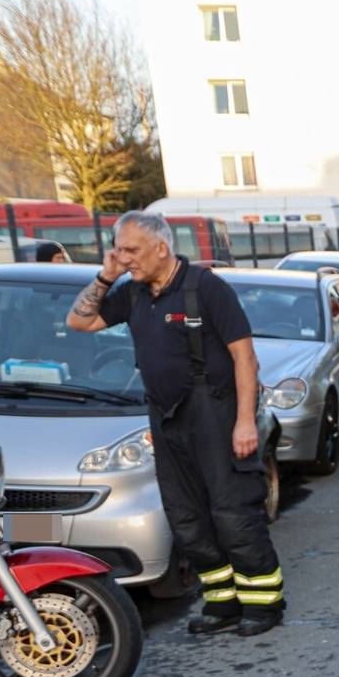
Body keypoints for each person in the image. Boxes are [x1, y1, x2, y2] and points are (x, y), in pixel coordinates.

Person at [65, 211, 286, 635]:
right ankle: (222, 603)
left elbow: (245, 357)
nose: (123, 257)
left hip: (215, 414)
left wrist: (244, 422)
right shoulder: (132, 293)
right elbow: (80, 321)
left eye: (131, 249)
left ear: (161, 248)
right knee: (187, 516)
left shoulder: (207, 289)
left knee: (233, 512)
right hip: (166, 417)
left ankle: (264, 604)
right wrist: (106, 277)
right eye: (119, 249)